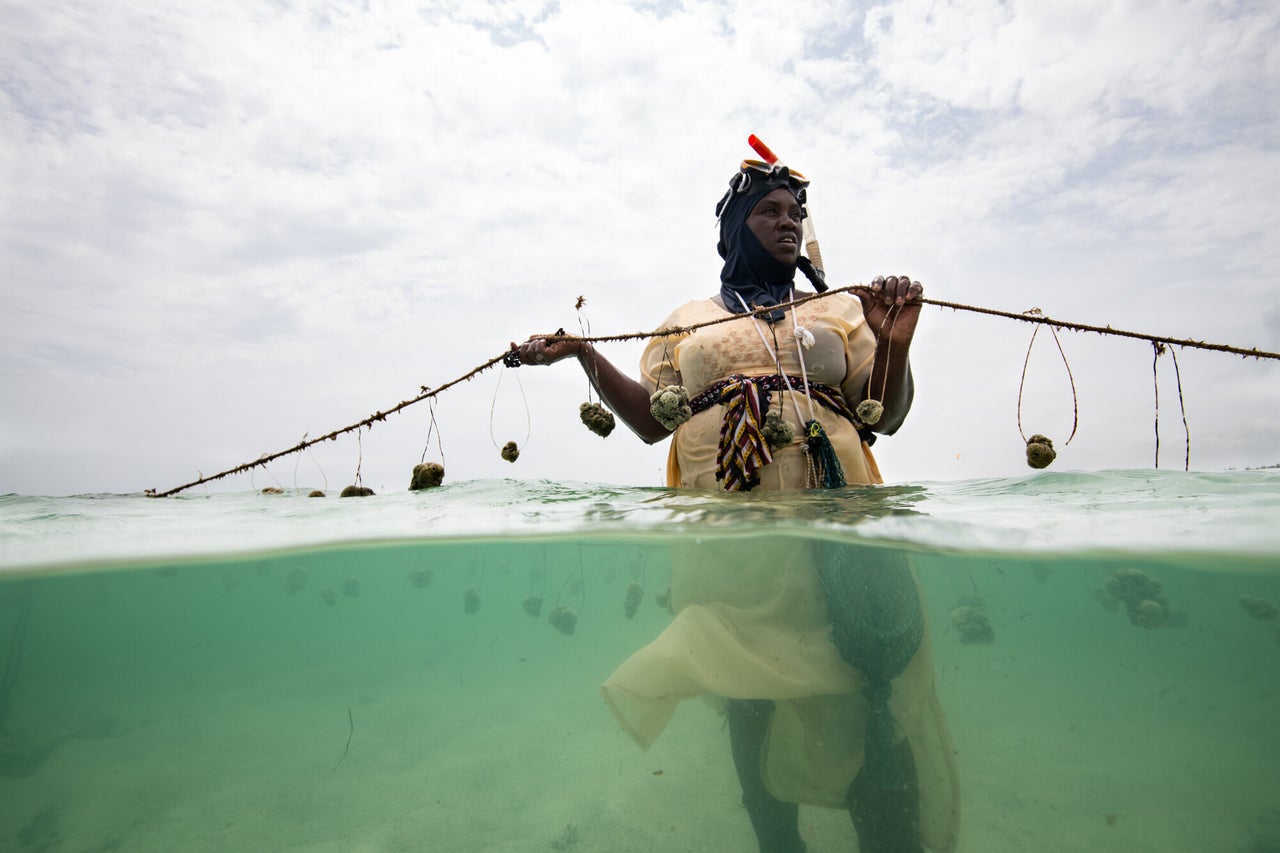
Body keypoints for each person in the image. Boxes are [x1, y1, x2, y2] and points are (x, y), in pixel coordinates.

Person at [515, 157, 959, 853]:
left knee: (863, 680)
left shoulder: (839, 308)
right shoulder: (685, 323)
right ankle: (779, 842)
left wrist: (895, 339)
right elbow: (652, 421)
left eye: (794, 214)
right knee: (747, 702)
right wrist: (582, 354)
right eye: (769, 213)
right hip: (732, 543)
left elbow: (888, 414)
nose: (786, 224)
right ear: (732, 232)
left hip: (838, 528)